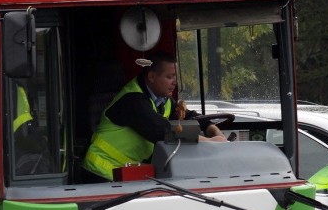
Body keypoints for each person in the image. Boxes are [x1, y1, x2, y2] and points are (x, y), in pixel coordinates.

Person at [82, 51, 226, 181]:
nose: (175, 83)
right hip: (101, 171)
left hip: (126, 172)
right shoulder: (133, 100)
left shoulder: (163, 100)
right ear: (152, 76)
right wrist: (209, 141)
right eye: (169, 77)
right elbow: (162, 131)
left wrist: (212, 128)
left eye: (175, 77)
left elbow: (188, 116)